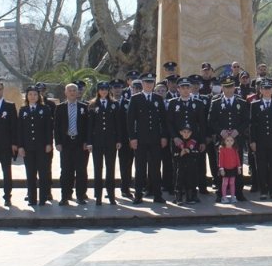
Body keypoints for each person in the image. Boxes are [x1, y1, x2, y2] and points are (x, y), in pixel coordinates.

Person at [127, 73, 169, 204]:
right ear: (142, 84)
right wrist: (132, 138)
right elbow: (130, 120)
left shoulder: (158, 98)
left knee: (155, 168)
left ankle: (157, 195)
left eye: (151, 82)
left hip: (156, 139)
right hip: (140, 139)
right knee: (140, 168)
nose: (149, 84)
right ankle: (138, 195)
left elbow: (164, 120)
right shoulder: (135, 99)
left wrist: (163, 136)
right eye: (146, 82)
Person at [208, 75, 249, 202]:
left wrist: (238, 130)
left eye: (231, 86)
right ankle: (221, 193)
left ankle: (238, 192)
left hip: (236, 140)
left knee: (238, 165)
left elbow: (246, 120)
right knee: (221, 166)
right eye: (226, 87)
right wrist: (221, 131)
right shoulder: (216, 102)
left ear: (234, 87)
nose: (229, 90)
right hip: (222, 140)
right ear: (222, 88)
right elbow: (211, 120)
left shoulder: (241, 102)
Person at [167, 77, 207, 200]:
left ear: (190, 89)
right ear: (178, 89)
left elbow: (202, 124)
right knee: (177, 167)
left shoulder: (198, 103)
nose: (185, 90)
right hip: (178, 141)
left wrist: (202, 141)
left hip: (193, 141)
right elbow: (169, 122)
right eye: (182, 87)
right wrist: (174, 137)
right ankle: (178, 193)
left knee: (193, 168)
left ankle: (192, 193)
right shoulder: (173, 103)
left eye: (187, 87)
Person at [249, 80, 272, 199]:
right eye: (264, 88)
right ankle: (263, 191)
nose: (266, 90)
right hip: (260, 142)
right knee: (261, 166)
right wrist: (252, 141)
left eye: (268, 88)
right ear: (260, 90)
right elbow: (252, 124)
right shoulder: (254, 105)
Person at [54, 83, 89, 205]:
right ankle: (65, 195)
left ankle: (80, 195)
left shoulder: (84, 107)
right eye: (70, 90)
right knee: (66, 171)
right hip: (66, 143)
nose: (72, 92)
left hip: (80, 143)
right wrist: (57, 142)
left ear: (78, 92)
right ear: (65, 92)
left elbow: (87, 127)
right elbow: (56, 127)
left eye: (74, 90)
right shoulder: (60, 107)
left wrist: (87, 142)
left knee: (81, 171)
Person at [18, 86, 53, 206]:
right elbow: (20, 130)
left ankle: (43, 198)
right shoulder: (23, 110)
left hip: (42, 146)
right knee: (30, 174)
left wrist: (49, 143)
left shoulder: (45, 109)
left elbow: (49, 128)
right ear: (27, 96)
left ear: (39, 97)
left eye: (35, 94)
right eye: (30, 94)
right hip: (28, 147)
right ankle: (32, 199)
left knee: (43, 173)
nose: (32, 97)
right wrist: (20, 146)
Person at [86, 81, 121, 205]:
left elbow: (118, 124)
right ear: (98, 91)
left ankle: (111, 195)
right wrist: (89, 142)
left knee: (110, 169)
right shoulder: (92, 104)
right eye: (101, 89)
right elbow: (89, 126)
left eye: (106, 89)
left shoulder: (114, 104)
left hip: (111, 142)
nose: (104, 91)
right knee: (98, 169)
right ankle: (98, 197)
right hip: (97, 142)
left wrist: (118, 140)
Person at [174, 124, 200, 204]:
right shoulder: (177, 143)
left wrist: (190, 151)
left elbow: (197, 153)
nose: (186, 134)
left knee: (190, 181)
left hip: (191, 166)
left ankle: (190, 197)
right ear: (180, 132)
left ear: (191, 133)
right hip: (181, 166)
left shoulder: (194, 142)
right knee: (179, 182)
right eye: (184, 132)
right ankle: (178, 198)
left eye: (188, 132)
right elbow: (174, 155)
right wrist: (180, 154)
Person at [218, 135, 242, 203]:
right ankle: (224, 197)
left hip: (233, 169)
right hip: (225, 169)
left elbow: (238, 159)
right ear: (224, 141)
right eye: (227, 140)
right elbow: (221, 160)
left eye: (231, 140)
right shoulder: (222, 149)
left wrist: (239, 167)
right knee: (225, 183)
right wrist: (221, 169)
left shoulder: (235, 149)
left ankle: (233, 196)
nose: (229, 142)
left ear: (234, 141)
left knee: (232, 183)